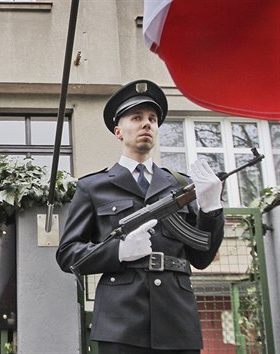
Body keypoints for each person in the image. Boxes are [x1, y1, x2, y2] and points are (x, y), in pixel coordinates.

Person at [56, 80, 225, 353]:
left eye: (152, 119)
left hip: (177, 319)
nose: (147, 124)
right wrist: (118, 251)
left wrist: (211, 210)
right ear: (118, 131)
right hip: (121, 322)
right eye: (137, 118)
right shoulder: (93, 187)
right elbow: (68, 255)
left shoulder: (180, 185)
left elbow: (201, 258)